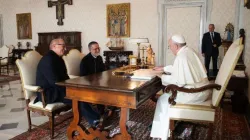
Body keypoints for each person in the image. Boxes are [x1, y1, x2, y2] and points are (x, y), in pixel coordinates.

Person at [150, 35, 211, 140]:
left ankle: (161, 134)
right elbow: (180, 69)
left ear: (176, 46)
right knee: (165, 97)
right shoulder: (188, 51)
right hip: (202, 89)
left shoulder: (181, 56)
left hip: (194, 93)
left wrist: (161, 76)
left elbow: (178, 82)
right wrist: (163, 68)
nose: (170, 49)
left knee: (163, 98)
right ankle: (167, 125)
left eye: (170, 46)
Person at [35, 38, 102, 127]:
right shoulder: (48, 60)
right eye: (63, 46)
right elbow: (54, 82)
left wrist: (73, 87)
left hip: (58, 88)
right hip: (49, 93)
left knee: (81, 93)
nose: (65, 48)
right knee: (76, 97)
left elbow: (65, 77)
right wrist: (70, 90)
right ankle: (95, 121)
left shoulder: (57, 58)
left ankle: (96, 116)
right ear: (54, 46)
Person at [80, 41, 106, 115]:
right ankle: (101, 113)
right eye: (95, 49)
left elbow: (103, 71)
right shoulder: (85, 60)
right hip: (89, 83)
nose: (97, 50)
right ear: (90, 50)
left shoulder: (99, 58)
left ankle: (110, 108)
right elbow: (83, 76)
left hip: (99, 82)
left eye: (98, 48)